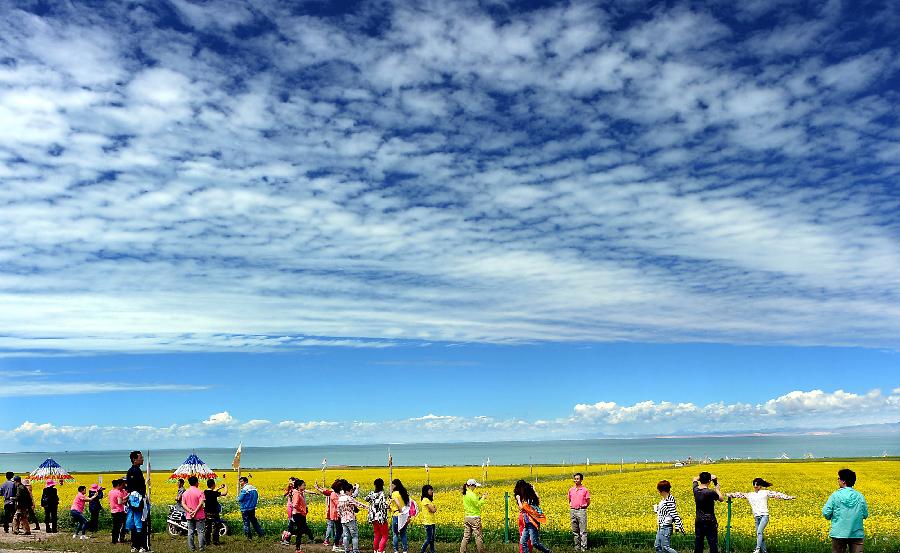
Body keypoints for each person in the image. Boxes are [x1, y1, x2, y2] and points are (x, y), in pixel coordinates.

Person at [728, 478, 795, 553]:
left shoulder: (765, 492)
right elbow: (739, 494)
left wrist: (789, 497)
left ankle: (757, 549)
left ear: (761, 485)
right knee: (760, 535)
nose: (755, 486)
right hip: (756, 517)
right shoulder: (750, 494)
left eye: (757, 484)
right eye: (754, 484)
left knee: (759, 532)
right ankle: (764, 551)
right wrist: (730, 494)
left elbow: (777, 494)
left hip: (764, 516)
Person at [823, 468, 869, 553]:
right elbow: (865, 514)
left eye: (839, 478)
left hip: (838, 534)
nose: (838, 480)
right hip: (856, 534)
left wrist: (832, 517)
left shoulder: (835, 495)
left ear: (843, 481)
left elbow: (826, 513)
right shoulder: (860, 496)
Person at [515, 480, 550, 553]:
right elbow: (537, 497)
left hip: (532, 523)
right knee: (523, 542)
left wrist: (518, 499)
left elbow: (522, 507)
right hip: (527, 524)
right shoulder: (528, 498)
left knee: (535, 543)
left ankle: (547, 551)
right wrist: (534, 490)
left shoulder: (528, 500)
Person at [692, 472, 724, 553]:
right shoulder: (710, 492)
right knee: (712, 543)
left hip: (699, 520)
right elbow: (721, 499)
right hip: (710, 520)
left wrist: (702, 477)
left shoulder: (695, 490)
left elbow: (694, 479)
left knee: (699, 542)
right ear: (709, 481)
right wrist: (717, 489)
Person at [125, 450, 150, 552]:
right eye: (140, 457)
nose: (142, 459)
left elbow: (130, 488)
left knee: (135, 524)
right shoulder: (137, 471)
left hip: (132, 501)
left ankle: (134, 546)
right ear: (134, 460)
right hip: (139, 501)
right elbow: (139, 488)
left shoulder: (130, 471)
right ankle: (143, 546)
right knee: (142, 523)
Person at [654, 480, 684, 553]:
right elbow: (665, 511)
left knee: (665, 547)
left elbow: (674, 514)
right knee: (657, 546)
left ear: (662, 490)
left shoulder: (669, 500)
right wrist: (657, 509)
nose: (658, 492)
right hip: (660, 526)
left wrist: (679, 527)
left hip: (665, 526)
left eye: (659, 490)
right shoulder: (664, 499)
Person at [339, 480, 368, 553]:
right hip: (350, 519)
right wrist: (368, 507)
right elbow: (357, 504)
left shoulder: (340, 498)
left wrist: (341, 516)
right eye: (351, 490)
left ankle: (346, 550)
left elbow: (338, 510)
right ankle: (355, 550)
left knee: (345, 536)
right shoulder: (349, 498)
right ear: (348, 491)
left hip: (343, 520)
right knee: (354, 536)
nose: (352, 492)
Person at [460, 479, 486, 553]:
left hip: (467, 517)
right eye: (474, 486)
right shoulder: (472, 494)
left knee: (466, 537)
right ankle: (481, 551)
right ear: (471, 485)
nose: (475, 487)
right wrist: (483, 498)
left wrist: (480, 498)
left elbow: (473, 502)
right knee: (478, 537)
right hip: (474, 518)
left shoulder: (465, 493)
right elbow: (478, 504)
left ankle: (462, 551)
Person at [365, 478, 390, 553]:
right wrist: (389, 505)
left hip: (373, 517)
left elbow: (366, 499)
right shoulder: (382, 494)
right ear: (382, 485)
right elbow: (384, 505)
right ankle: (380, 550)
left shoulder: (372, 493)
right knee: (385, 535)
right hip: (381, 517)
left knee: (377, 534)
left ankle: (375, 550)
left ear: (374, 485)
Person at [182, 476, 206, 552]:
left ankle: (192, 548)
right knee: (200, 532)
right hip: (199, 515)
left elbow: (183, 504)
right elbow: (201, 503)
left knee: (190, 531)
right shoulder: (200, 492)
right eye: (198, 481)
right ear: (196, 482)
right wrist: (195, 511)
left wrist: (190, 511)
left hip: (189, 515)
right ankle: (201, 548)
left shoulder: (185, 492)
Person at [289, 479, 313, 553]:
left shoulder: (300, 492)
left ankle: (297, 546)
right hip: (298, 514)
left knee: (301, 530)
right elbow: (295, 505)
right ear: (299, 486)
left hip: (301, 514)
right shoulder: (296, 493)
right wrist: (302, 510)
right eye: (303, 485)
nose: (305, 486)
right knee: (300, 531)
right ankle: (289, 536)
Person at [568, 473, 590, 552]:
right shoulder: (571, 490)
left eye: (577, 479)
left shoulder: (585, 490)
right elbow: (569, 500)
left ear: (581, 480)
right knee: (575, 531)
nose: (576, 480)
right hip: (573, 510)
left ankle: (583, 548)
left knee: (583, 531)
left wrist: (583, 507)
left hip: (581, 510)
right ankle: (577, 548)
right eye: (575, 479)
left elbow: (588, 501)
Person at [237, 475, 264, 539]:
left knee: (246, 523)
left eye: (241, 481)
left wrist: (237, 498)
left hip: (245, 508)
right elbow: (256, 497)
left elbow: (240, 499)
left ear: (245, 481)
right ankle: (261, 534)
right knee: (254, 522)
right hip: (252, 508)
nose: (240, 483)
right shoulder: (254, 488)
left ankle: (248, 537)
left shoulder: (244, 489)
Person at [204, 477, 227, 546]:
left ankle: (207, 541)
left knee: (208, 527)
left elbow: (213, 491)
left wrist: (219, 487)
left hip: (207, 512)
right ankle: (215, 541)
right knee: (216, 527)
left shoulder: (205, 492)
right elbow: (225, 493)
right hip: (214, 513)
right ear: (213, 484)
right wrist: (226, 487)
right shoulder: (214, 494)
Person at [390, 479, 410, 553]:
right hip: (405, 515)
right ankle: (405, 550)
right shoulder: (403, 493)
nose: (391, 486)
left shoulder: (394, 493)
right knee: (403, 534)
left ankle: (396, 551)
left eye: (392, 485)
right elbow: (408, 505)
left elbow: (398, 504)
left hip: (397, 515)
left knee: (395, 534)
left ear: (395, 485)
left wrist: (400, 512)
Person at [109, 479, 128, 544]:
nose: (123, 486)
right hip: (119, 511)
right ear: (118, 485)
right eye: (122, 485)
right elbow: (120, 502)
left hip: (113, 511)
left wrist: (127, 496)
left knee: (115, 527)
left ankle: (114, 540)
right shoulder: (118, 492)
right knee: (120, 526)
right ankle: (117, 540)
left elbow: (119, 499)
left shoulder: (111, 491)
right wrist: (126, 500)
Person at [420, 485, 437, 553]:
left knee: (432, 539)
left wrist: (433, 509)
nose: (432, 491)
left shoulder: (429, 500)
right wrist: (433, 509)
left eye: (432, 490)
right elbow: (433, 510)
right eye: (430, 490)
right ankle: (422, 551)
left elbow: (434, 508)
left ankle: (432, 551)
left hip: (432, 521)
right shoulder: (425, 500)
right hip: (428, 522)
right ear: (426, 491)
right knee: (429, 539)